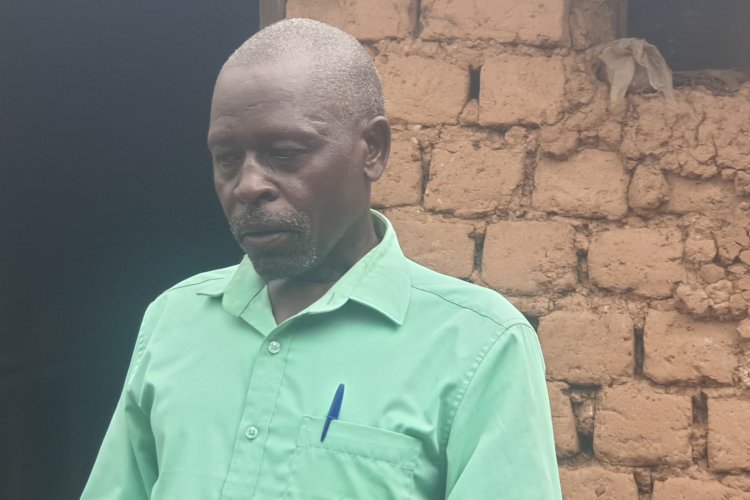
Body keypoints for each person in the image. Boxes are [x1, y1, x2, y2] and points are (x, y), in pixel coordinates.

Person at [82, 18, 562, 500]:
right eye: (227, 158)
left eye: (286, 153)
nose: (248, 186)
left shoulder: (478, 345)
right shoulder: (174, 319)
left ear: (373, 150)